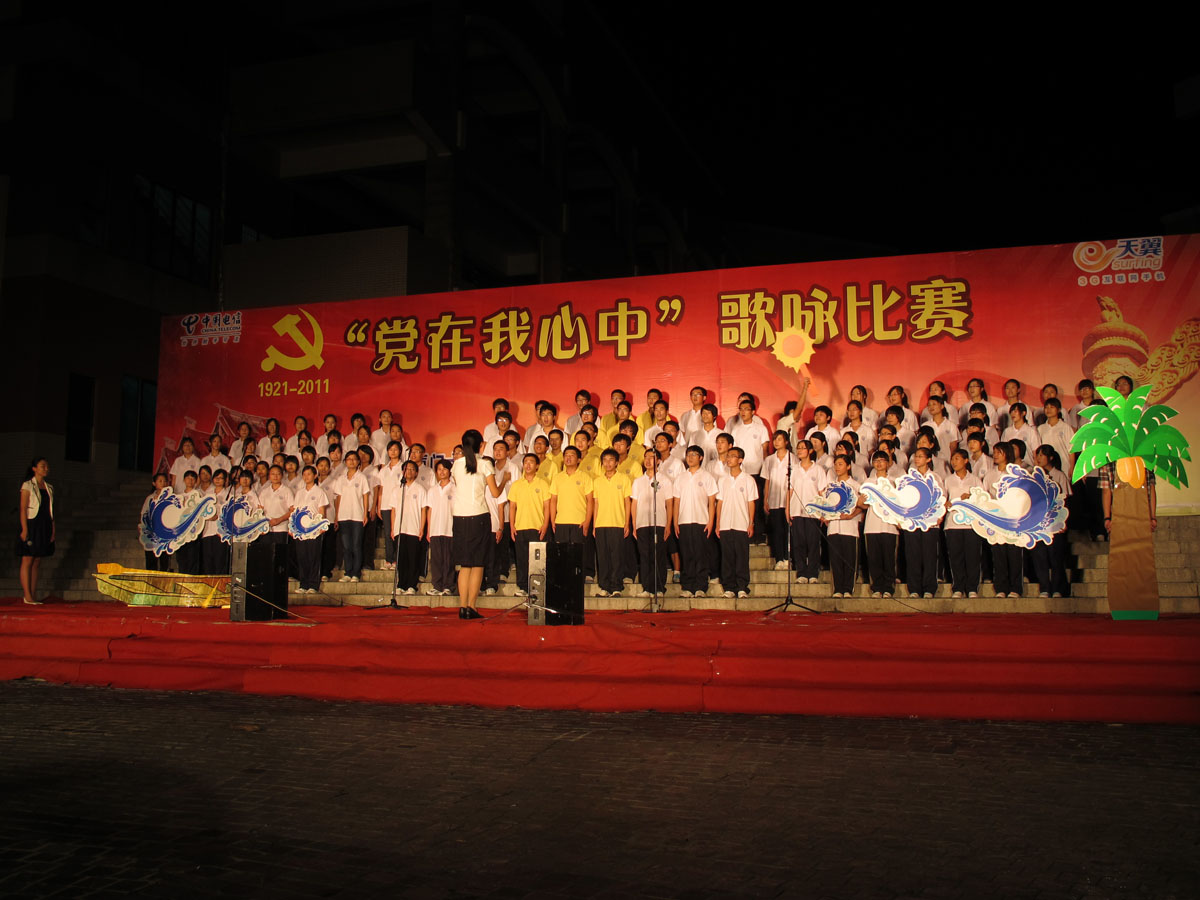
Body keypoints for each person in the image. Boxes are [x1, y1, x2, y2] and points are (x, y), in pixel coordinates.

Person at [451, 430, 504, 618]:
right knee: (478, 564)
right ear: (481, 445)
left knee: (465, 565)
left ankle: (462, 606)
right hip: (478, 516)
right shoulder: (484, 464)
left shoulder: (456, 465)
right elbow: (496, 493)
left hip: (459, 517)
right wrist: (504, 480)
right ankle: (471, 607)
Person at [674, 445, 718, 599]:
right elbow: (676, 502)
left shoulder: (707, 477)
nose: (690, 458)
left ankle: (700, 587)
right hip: (684, 521)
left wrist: (711, 522)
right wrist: (675, 522)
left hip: (702, 521)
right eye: (688, 455)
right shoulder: (680, 477)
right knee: (687, 554)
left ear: (701, 457)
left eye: (694, 454)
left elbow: (712, 502)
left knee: (701, 555)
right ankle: (687, 586)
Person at [631, 448, 675, 598]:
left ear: (659, 461)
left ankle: (659, 588)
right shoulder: (638, 481)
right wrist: (634, 524)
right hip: (642, 523)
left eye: (652, 457)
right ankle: (647, 587)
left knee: (658, 555)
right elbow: (634, 504)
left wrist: (668, 525)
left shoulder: (665, 480)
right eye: (646, 457)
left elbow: (669, 504)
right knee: (645, 556)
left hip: (660, 523)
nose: (648, 460)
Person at [716, 447, 757, 599]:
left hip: (741, 523)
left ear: (740, 460)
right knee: (727, 557)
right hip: (725, 523)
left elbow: (751, 502)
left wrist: (751, 523)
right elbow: (719, 503)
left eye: (732, 456)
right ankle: (729, 587)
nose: (729, 459)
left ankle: (741, 587)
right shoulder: (722, 480)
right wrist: (718, 524)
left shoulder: (748, 479)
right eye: (728, 456)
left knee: (741, 556)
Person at [591, 449, 633, 598]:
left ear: (616, 462)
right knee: (603, 557)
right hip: (601, 524)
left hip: (618, 523)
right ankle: (604, 586)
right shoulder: (597, 481)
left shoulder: (624, 479)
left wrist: (627, 523)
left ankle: (616, 587)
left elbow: (627, 502)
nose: (608, 463)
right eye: (605, 460)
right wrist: (594, 525)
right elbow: (596, 504)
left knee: (617, 557)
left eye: (611, 460)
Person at [507, 453, 551, 597]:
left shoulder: (543, 483)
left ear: (537, 466)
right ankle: (523, 587)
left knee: (537, 560)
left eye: (531, 462)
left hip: (537, 527)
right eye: (526, 462)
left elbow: (547, 506)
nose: (528, 464)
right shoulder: (516, 485)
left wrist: (545, 525)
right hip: (520, 527)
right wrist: (512, 526)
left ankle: (537, 588)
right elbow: (512, 507)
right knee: (521, 558)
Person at [903, 447, 944, 598]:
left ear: (928, 459)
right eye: (916, 456)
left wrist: (939, 516)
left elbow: (941, 498)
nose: (917, 459)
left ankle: (929, 588)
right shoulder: (909, 477)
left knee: (929, 555)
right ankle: (914, 588)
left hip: (930, 521)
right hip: (913, 521)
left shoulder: (935, 477)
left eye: (920, 456)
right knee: (913, 555)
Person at [1032, 445, 1072, 598]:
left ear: (1050, 457)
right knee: (1040, 556)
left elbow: (1065, 500)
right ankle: (1044, 587)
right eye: (1038, 455)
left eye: (1042, 455)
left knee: (1056, 557)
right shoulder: (1034, 476)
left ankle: (1057, 588)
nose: (1039, 458)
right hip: (1039, 523)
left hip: (1055, 522)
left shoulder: (1059, 475)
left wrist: (1064, 521)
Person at [786, 439, 827, 584]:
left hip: (813, 512)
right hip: (796, 510)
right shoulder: (794, 469)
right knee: (799, 543)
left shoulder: (818, 470)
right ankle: (801, 572)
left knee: (813, 543)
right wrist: (787, 509)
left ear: (810, 451)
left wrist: (823, 512)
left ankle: (813, 572)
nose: (799, 451)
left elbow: (822, 492)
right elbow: (789, 491)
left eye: (803, 448)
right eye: (798, 448)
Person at [944, 449, 983, 598]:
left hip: (971, 524)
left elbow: (982, 500)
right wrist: (945, 503)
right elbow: (942, 499)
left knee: (972, 557)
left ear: (966, 460)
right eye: (952, 459)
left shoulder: (975, 480)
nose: (954, 462)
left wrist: (971, 497)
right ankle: (958, 587)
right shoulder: (948, 480)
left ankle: (972, 588)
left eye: (957, 458)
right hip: (952, 523)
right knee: (956, 557)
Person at [859, 451, 898, 598]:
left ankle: (888, 587)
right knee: (874, 558)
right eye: (876, 460)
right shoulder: (868, 482)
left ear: (888, 463)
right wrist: (862, 501)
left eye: (882, 460)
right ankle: (877, 587)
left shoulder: (894, 482)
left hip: (890, 525)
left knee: (889, 558)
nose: (879, 463)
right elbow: (862, 503)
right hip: (872, 525)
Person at [825, 454, 862, 598]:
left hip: (850, 527)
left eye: (840, 464)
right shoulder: (831, 486)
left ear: (848, 466)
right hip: (834, 527)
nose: (837, 467)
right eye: (835, 464)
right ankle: (838, 588)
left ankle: (848, 588)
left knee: (849, 559)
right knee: (836, 559)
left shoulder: (855, 485)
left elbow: (863, 505)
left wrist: (852, 515)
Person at [18, 458, 55, 605]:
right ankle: (27, 595)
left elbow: (51, 511)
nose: (46, 468)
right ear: (34, 468)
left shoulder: (49, 487)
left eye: (47, 466)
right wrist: (24, 528)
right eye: (42, 466)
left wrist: (53, 530)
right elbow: (23, 508)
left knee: (37, 560)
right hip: (32, 523)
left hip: (44, 524)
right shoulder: (27, 485)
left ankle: (32, 594)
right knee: (28, 558)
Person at [390, 460, 430, 596]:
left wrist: (421, 528)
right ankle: (401, 584)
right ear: (403, 472)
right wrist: (392, 528)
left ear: (417, 473)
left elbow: (424, 510)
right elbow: (393, 510)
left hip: (414, 528)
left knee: (413, 558)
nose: (409, 471)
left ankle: (412, 585)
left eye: (413, 469)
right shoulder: (397, 489)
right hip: (399, 529)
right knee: (401, 559)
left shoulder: (420, 489)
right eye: (407, 469)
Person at [333, 450, 370, 583]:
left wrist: (365, 514)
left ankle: (356, 573)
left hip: (357, 516)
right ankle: (348, 572)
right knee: (346, 546)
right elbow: (338, 498)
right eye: (349, 459)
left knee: (356, 545)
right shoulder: (341, 479)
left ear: (358, 461)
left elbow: (365, 496)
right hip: (343, 516)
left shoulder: (362, 477)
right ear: (345, 462)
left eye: (354, 459)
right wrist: (336, 516)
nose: (351, 461)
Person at [292, 465, 329, 593]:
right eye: (304, 474)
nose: (306, 477)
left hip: (314, 528)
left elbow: (321, 511)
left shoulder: (319, 492)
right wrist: (292, 528)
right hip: (300, 529)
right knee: (302, 556)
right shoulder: (299, 493)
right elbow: (295, 511)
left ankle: (313, 585)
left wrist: (321, 526)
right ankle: (303, 584)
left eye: (309, 474)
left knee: (313, 556)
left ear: (315, 476)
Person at [425, 460, 457, 596]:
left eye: (444, 469)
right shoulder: (432, 490)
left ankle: (448, 586)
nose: (442, 472)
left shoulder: (455, 488)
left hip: (450, 528)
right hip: (435, 529)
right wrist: (429, 530)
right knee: (436, 559)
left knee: (449, 559)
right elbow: (430, 510)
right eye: (439, 469)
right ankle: (437, 586)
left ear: (450, 471)